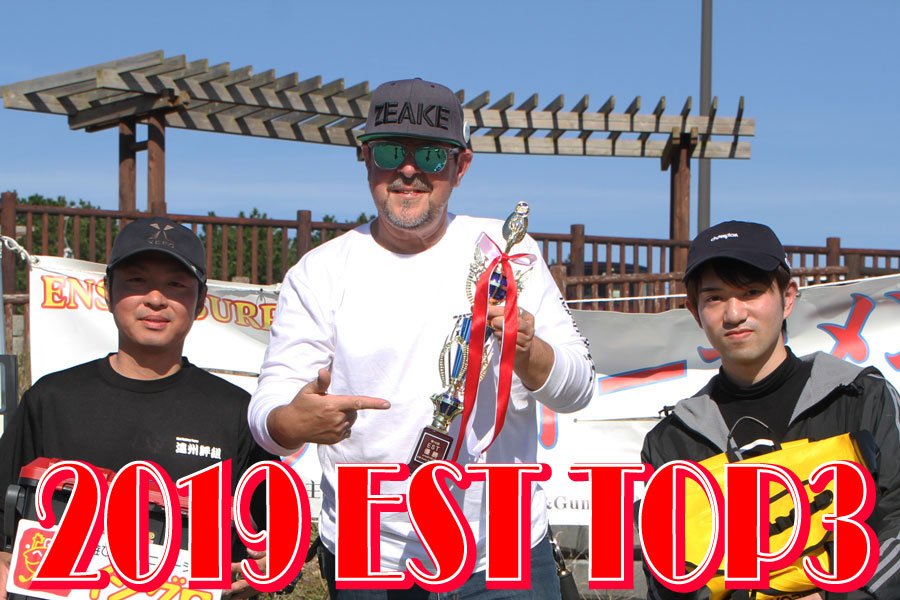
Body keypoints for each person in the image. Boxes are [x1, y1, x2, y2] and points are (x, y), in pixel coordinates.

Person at [249, 78, 595, 599]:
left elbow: (580, 387)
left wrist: (529, 353)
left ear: (461, 166)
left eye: (431, 155)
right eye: (390, 152)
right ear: (366, 159)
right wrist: (290, 423)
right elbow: (269, 409)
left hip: (502, 552)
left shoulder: (509, 253)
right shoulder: (319, 271)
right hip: (370, 557)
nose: (408, 170)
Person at [0, 217, 276, 600]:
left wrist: (262, 571)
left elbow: (268, 542)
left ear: (200, 300)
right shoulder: (51, 399)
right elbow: (5, 529)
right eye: (137, 280)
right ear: (107, 290)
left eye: (176, 285)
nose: (156, 299)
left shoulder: (236, 413)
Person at [640, 220, 900, 600]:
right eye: (715, 298)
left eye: (751, 292)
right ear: (694, 311)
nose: (734, 313)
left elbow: (895, 522)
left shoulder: (862, 397)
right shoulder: (672, 441)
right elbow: (667, 578)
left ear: (788, 297)